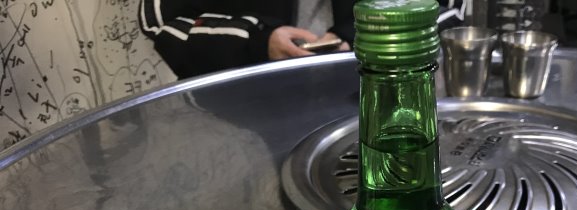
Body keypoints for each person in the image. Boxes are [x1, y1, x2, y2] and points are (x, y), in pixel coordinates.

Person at [139, 0, 466, 79]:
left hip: (376, 97)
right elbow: (159, 19)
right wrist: (257, 40)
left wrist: (361, 34)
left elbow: (447, 8)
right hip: (244, 113)